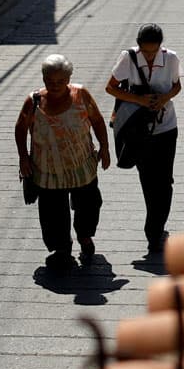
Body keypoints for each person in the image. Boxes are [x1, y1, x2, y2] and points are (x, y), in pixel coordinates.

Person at [17, 54, 110, 272]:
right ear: (43, 79)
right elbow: (20, 128)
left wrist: (104, 147)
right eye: (50, 81)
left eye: (61, 81)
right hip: (48, 169)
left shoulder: (81, 95)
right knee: (52, 212)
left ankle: (85, 236)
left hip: (81, 165)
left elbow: (96, 120)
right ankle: (61, 249)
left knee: (89, 204)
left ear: (69, 78)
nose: (55, 86)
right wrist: (23, 157)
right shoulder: (34, 101)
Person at [105, 23, 181, 254]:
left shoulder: (171, 59)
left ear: (160, 46)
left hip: (166, 126)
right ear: (138, 46)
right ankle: (153, 232)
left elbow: (177, 85)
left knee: (165, 181)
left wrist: (164, 98)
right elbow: (111, 88)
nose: (149, 56)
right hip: (139, 129)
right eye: (145, 52)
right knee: (148, 180)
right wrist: (139, 100)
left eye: (153, 51)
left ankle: (157, 228)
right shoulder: (128, 58)